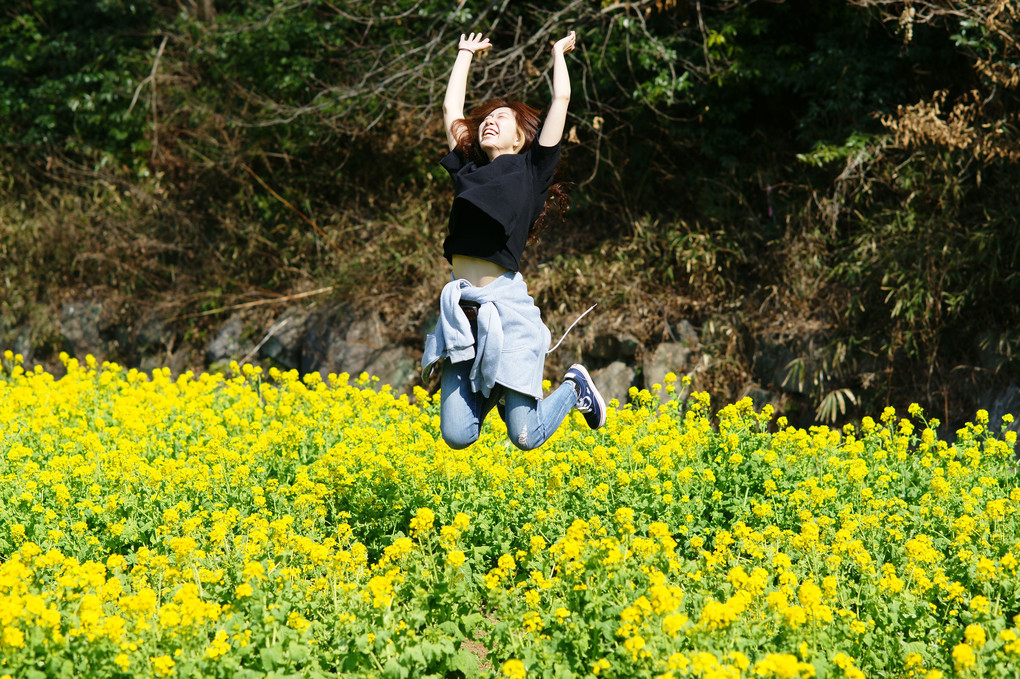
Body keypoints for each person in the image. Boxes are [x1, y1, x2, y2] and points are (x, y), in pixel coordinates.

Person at [421, 30, 607, 451]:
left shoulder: (532, 170)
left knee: (525, 436)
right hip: (461, 311)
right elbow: (452, 107)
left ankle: (574, 387)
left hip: (505, 310)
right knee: (456, 435)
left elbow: (560, 101)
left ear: (519, 137)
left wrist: (559, 54)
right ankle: (496, 387)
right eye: (485, 119)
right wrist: (464, 54)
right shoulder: (467, 169)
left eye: (500, 119)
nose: (488, 121)